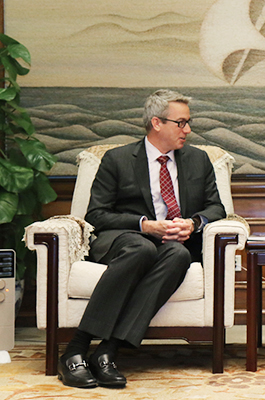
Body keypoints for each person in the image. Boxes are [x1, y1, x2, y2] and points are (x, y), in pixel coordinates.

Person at [57, 89, 226, 388]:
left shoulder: (198, 160)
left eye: (188, 122)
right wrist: (145, 226)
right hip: (125, 239)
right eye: (181, 122)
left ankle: (106, 352)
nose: (188, 129)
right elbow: (96, 214)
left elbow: (216, 208)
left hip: (175, 243)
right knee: (141, 248)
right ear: (157, 123)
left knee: (179, 255)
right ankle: (75, 349)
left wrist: (193, 223)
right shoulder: (118, 159)